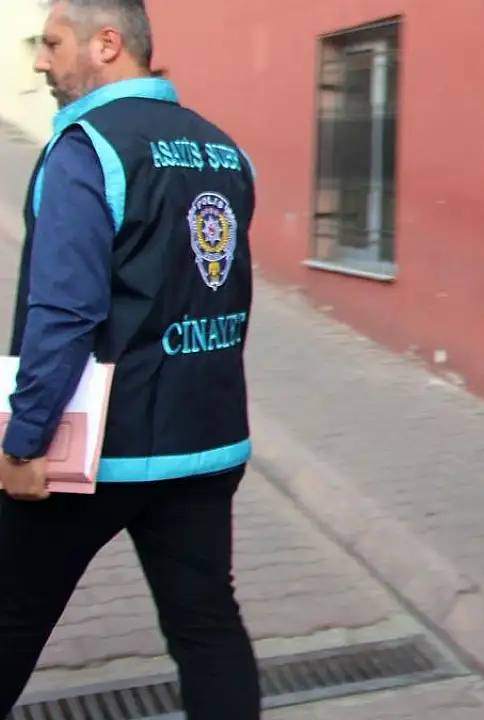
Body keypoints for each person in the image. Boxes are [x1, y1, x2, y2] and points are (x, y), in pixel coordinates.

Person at [0, 1, 260, 717]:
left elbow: (64, 312)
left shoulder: (87, 147)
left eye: (53, 43)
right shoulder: (221, 148)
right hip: (207, 441)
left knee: (11, 614)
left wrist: (24, 441)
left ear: (107, 43)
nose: (41, 61)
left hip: (101, 451)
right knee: (207, 627)